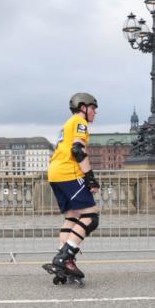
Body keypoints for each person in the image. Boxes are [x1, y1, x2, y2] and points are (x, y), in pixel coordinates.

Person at [45, 92, 101, 279]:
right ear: (83, 107)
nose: (95, 112)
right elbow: (78, 149)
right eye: (93, 108)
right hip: (69, 173)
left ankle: (63, 264)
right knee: (91, 217)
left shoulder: (67, 124)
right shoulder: (79, 122)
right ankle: (64, 258)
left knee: (72, 217)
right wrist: (90, 178)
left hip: (55, 173)